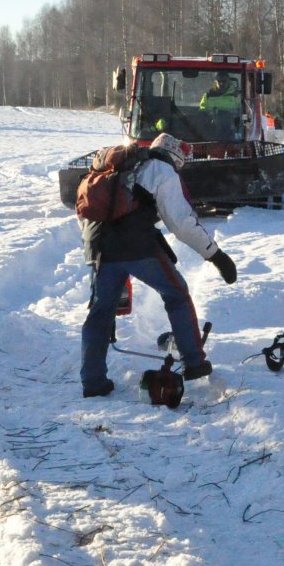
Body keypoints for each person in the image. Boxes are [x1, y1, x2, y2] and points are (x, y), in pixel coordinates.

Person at [79, 132, 237, 398]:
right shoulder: (162, 170)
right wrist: (215, 255)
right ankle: (195, 363)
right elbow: (181, 223)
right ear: (175, 157)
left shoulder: (120, 167)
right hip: (137, 244)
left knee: (100, 311)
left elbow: (90, 209)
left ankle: (93, 382)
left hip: (98, 245)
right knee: (177, 294)